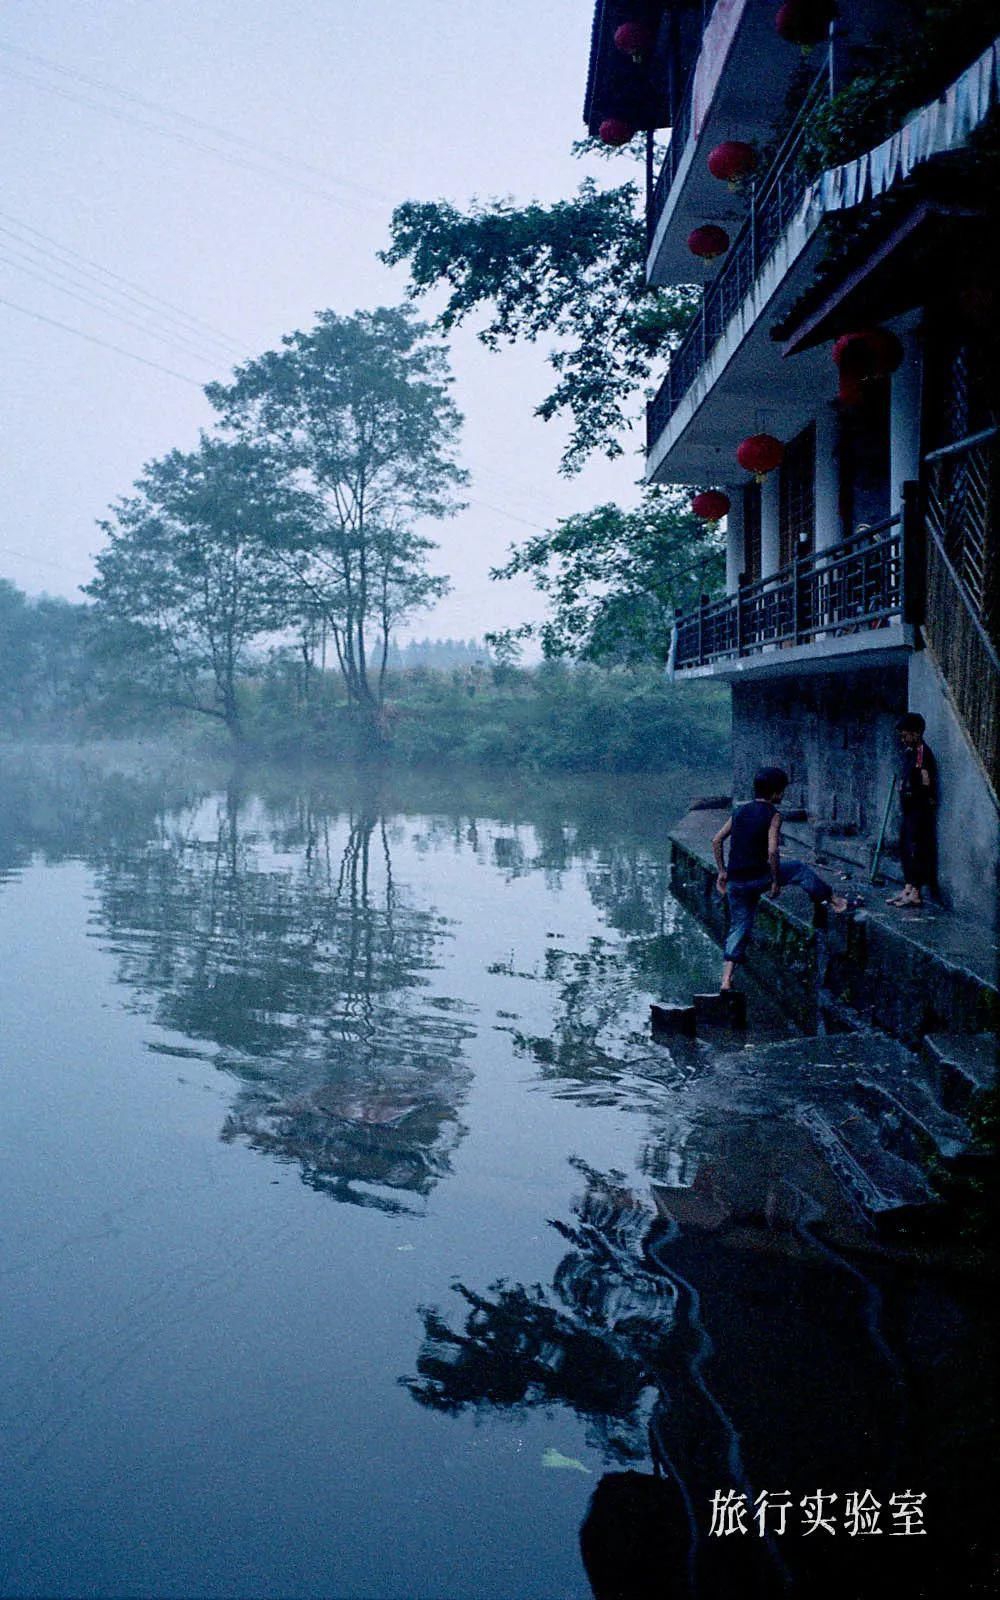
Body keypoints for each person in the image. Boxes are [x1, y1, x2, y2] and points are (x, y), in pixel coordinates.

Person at [712, 767, 848, 991]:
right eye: (782, 791)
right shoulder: (773, 814)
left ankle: (727, 979)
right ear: (776, 793)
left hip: (736, 881)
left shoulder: (738, 812)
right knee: (798, 869)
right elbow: (773, 851)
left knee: (739, 926)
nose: (783, 795)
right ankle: (835, 901)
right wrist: (775, 881)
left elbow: (716, 840)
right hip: (759, 876)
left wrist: (722, 871)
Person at [887, 711, 936, 908]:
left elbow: (926, 782)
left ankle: (916, 891)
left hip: (919, 810)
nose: (903, 739)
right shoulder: (910, 753)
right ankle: (907, 887)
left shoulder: (923, 753)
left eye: (905, 735)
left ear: (916, 734)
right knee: (904, 846)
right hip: (908, 809)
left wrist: (918, 798)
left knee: (917, 848)